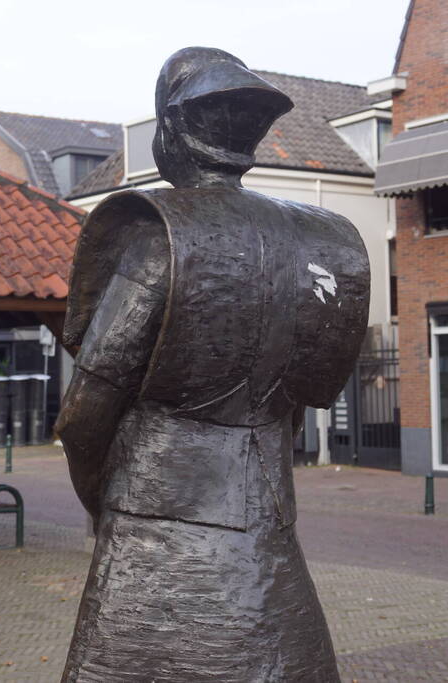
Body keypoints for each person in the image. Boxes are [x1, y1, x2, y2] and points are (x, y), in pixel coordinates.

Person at [57, 47, 368, 682]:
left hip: (157, 521)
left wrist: (104, 503)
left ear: (170, 129)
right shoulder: (321, 238)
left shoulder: (159, 234)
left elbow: (84, 415)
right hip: (267, 520)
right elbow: (308, 389)